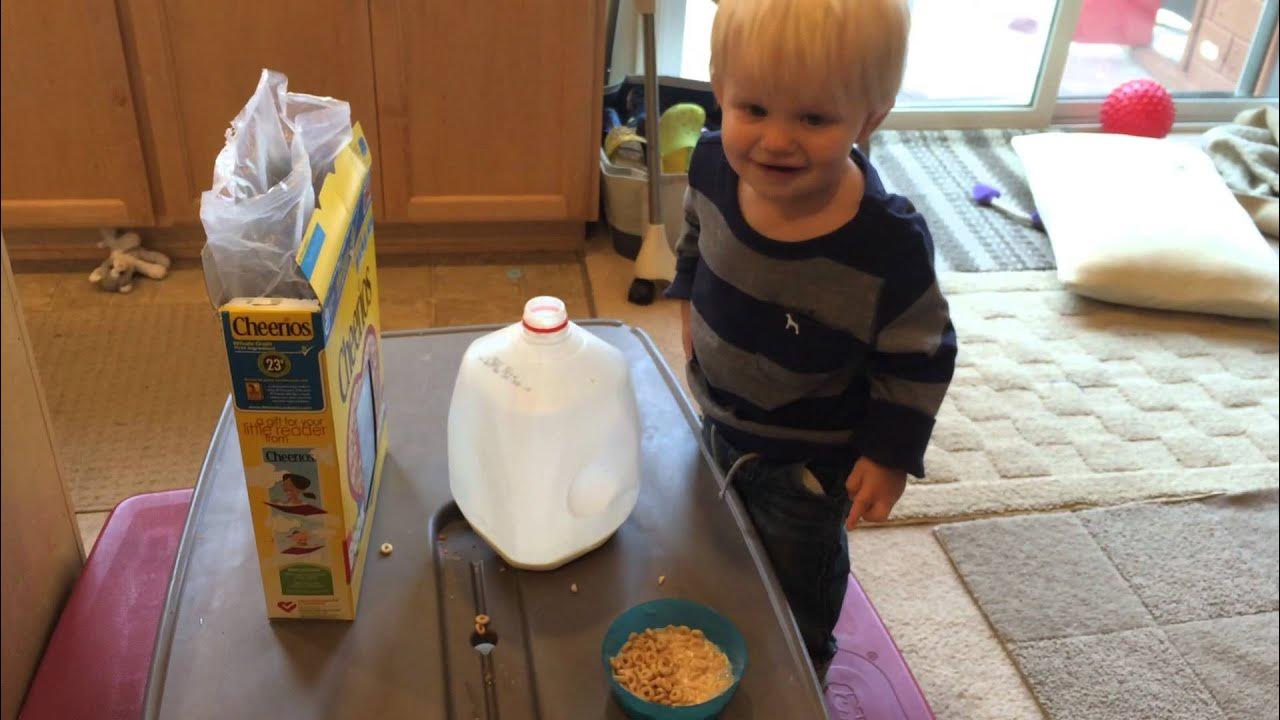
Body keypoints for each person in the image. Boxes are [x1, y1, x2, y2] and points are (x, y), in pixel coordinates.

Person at [667, 0, 957, 675]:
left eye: (815, 118)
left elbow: (920, 354)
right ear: (720, 92)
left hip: (810, 465)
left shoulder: (886, 243)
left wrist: (889, 453)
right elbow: (694, 235)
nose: (776, 141)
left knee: (797, 592)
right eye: (755, 109)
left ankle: (799, 678)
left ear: (871, 117)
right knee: (713, 550)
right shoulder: (712, 165)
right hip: (716, 416)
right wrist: (686, 292)